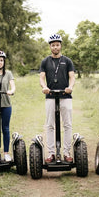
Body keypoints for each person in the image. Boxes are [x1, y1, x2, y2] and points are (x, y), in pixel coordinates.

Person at [39, 33, 75, 163]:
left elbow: (72, 77)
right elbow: (42, 77)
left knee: (67, 124)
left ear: (60, 46)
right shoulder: (45, 61)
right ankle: (51, 153)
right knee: (49, 125)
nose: (55, 47)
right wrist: (44, 87)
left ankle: (66, 152)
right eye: (53, 45)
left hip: (65, 96)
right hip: (50, 96)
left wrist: (70, 86)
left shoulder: (67, 61)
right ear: (50, 47)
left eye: (57, 45)